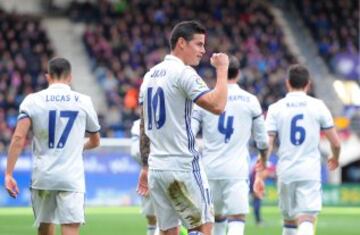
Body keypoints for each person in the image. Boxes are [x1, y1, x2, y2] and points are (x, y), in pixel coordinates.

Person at [137, 20, 229, 235]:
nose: (203, 51)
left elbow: (144, 125)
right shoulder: (183, 73)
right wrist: (222, 69)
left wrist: (145, 165)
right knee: (202, 227)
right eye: (198, 44)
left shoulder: (149, 76)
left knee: (168, 231)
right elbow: (217, 105)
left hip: (157, 168)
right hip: (183, 165)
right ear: (181, 43)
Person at [4, 57, 101, 235]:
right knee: (71, 228)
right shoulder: (83, 101)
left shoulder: (32, 100)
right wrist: (77, 147)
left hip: (43, 176)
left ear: (48, 77)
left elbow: (18, 138)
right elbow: (96, 141)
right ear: (70, 77)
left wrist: (9, 173)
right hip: (71, 178)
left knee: (45, 228)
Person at [254, 64, 341, 235]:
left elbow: (266, 144)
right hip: (309, 170)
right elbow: (336, 143)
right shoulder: (318, 106)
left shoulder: (275, 108)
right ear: (308, 84)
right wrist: (335, 157)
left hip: (286, 171)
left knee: (289, 222)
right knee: (307, 219)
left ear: (287, 83)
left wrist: (261, 169)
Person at [191, 56, 268, 235]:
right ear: (238, 74)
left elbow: (190, 133)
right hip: (236, 170)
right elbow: (262, 140)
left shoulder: (205, 99)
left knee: (215, 218)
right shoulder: (250, 100)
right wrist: (263, 160)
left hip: (209, 169)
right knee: (237, 219)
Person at [131, 119, 160, 235]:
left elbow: (135, 153)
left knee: (157, 219)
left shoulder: (138, 124)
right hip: (167, 169)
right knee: (163, 218)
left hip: (148, 172)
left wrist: (146, 166)